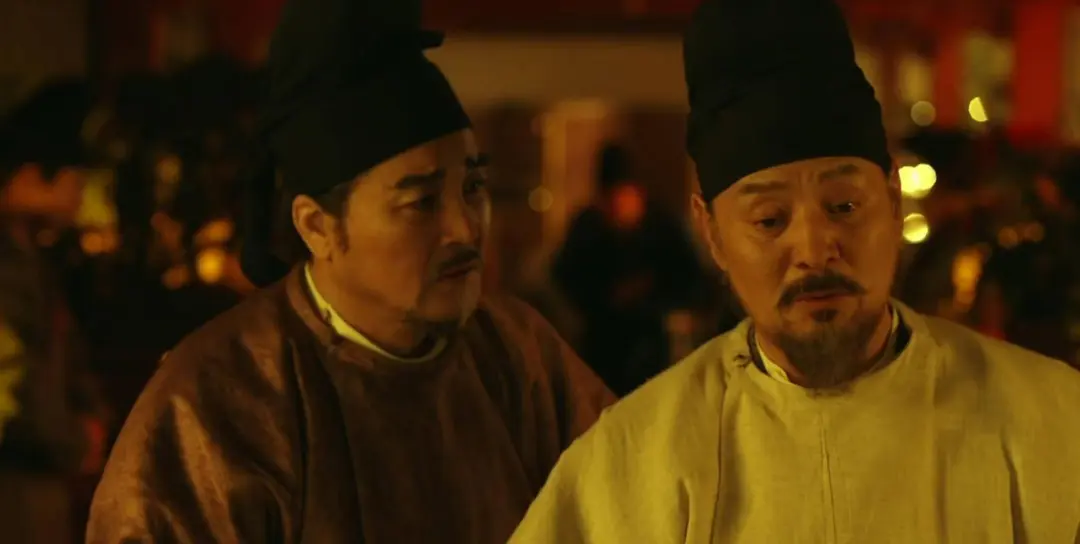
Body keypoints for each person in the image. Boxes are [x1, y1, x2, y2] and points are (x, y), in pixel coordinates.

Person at [510, 0, 1080, 541]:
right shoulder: (633, 462)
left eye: (844, 206)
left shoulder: (1051, 420)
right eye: (769, 220)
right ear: (713, 233)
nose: (814, 248)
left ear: (892, 199)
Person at [86, 0, 613, 542]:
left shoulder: (517, 354)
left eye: (473, 188)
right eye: (421, 202)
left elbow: (628, 490)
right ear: (318, 227)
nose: (464, 228)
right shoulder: (219, 400)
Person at [0, 79, 109, 544]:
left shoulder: (33, 261)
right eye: (73, 177)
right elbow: (15, 387)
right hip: (18, 491)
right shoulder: (11, 268)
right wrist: (74, 440)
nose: (80, 194)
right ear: (29, 176)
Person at [553, 143, 708, 396]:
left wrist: (651, 291)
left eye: (624, 197)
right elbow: (565, 276)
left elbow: (690, 277)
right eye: (610, 199)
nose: (618, 206)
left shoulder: (661, 226)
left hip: (651, 338)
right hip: (601, 341)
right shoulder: (588, 227)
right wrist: (604, 295)